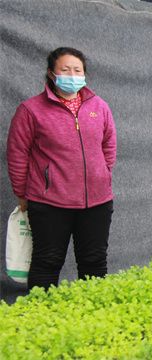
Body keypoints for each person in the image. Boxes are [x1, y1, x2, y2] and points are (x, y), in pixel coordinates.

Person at [6, 47, 116, 290]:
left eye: (77, 70)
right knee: (47, 262)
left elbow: (109, 144)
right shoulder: (30, 110)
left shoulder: (99, 106)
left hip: (97, 202)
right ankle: (41, 319)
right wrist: (22, 193)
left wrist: (103, 174)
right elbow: (17, 153)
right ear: (51, 74)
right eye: (65, 70)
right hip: (49, 203)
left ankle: (94, 320)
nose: (72, 75)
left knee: (94, 263)